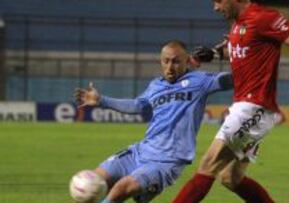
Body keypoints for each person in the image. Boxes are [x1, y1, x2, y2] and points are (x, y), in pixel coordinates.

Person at [172, 0, 289, 203]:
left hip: (254, 108)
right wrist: (214, 53)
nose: (215, 7)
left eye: (218, 1)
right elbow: (242, 48)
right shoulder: (237, 24)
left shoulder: (264, 17)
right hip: (249, 109)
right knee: (231, 178)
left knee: (209, 164)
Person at [73, 40, 234, 203]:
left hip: (167, 161)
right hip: (140, 152)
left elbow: (231, 79)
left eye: (176, 61)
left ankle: (146, 188)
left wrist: (234, 55)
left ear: (188, 61)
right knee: (93, 181)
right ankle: (146, 191)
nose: (170, 67)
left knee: (121, 189)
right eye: (166, 61)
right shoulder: (155, 86)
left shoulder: (200, 81)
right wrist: (101, 100)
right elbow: (137, 105)